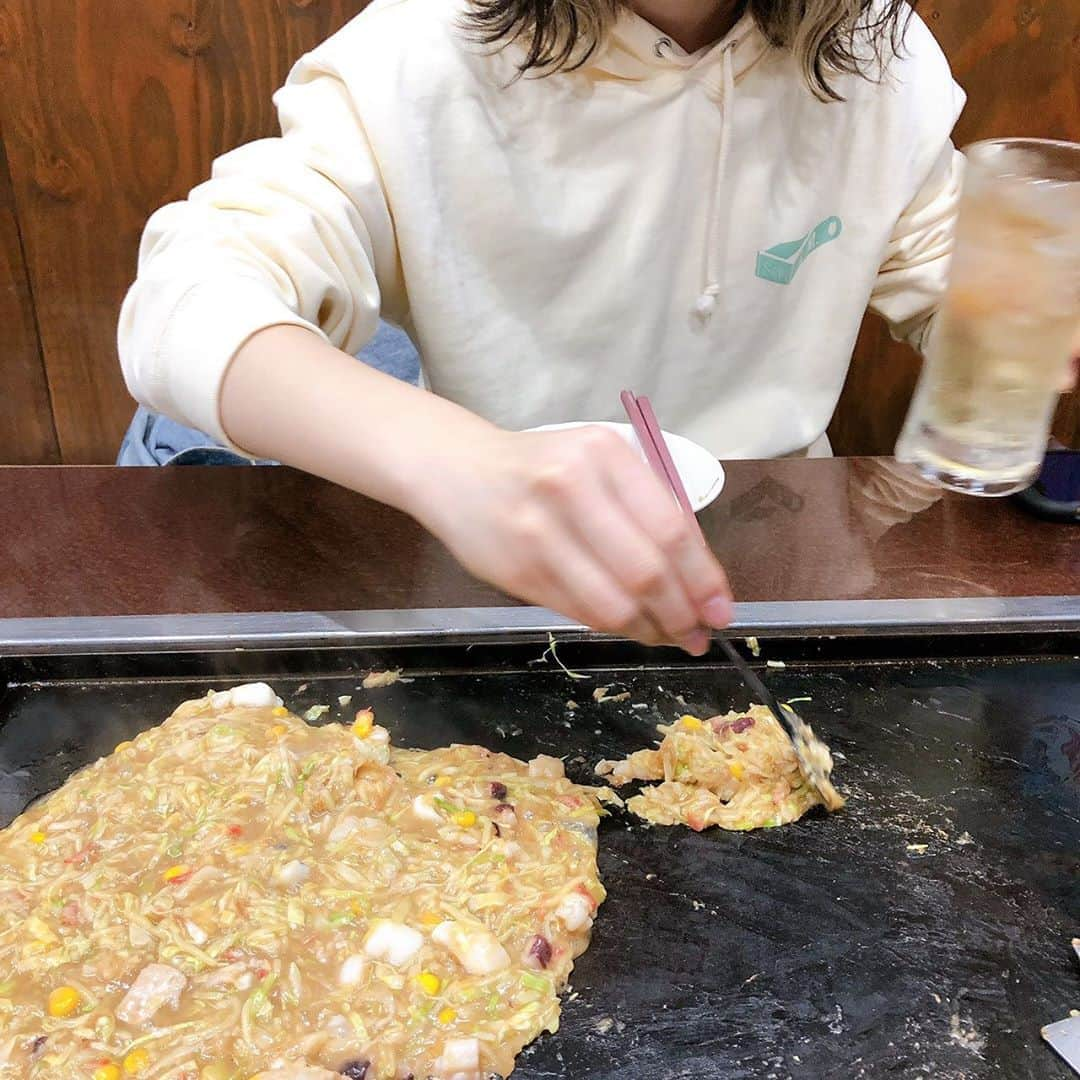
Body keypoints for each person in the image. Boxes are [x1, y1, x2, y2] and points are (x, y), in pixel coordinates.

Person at [119, 0, 968, 654]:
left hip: (780, 571)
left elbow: (960, 290)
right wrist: (462, 466)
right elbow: (187, 295)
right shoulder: (419, 50)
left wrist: (1022, 323)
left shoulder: (876, 49)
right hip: (499, 585)